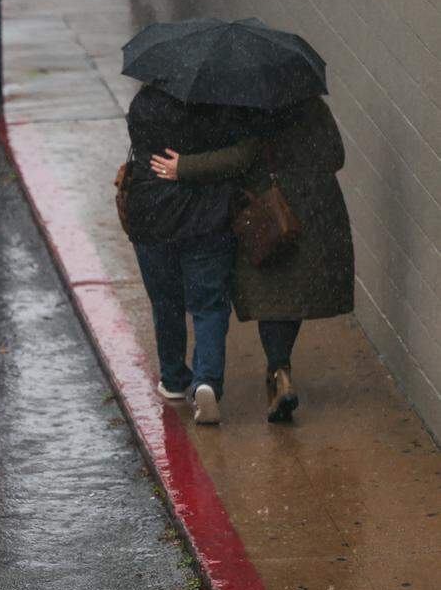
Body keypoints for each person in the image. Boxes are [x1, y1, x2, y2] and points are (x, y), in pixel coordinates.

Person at [150, 96, 354, 422]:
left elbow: (239, 159)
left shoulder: (250, 108)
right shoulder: (310, 101)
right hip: (313, 210)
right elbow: (336, 155)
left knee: (273, 296)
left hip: (267, 215)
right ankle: (278, 372)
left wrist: (183, 167)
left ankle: (279, 370)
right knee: (292, 295)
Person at [125, 85, 255, 425]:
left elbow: (141, 150)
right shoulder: (221, 107)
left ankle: (173, 378)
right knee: (209, 305)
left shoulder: (144, 104)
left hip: (152, 217)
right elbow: (238, 156)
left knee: (165, 302)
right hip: (206, 221)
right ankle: (206, 381)